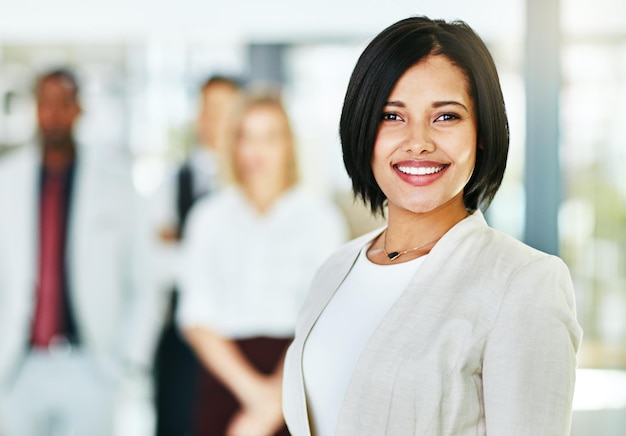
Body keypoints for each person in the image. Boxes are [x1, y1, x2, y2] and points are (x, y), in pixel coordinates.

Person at [282, 16, 583, 436]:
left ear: (481, 132)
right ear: (362, 129)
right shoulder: (334, 271)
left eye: (446, 117)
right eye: (391, 115)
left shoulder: (524, 283)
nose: (418, 141)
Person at [0, 68, 163, 436]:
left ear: (79, 110)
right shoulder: (5, 181)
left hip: (93, 364)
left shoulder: (117, 184)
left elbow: (145, 280)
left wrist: (130, 361)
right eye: (46, 103)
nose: (54, 114)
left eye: (64, 103)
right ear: (35, 109)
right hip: (16, 366)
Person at [177, 91, 347, 435]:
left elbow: (325, 318)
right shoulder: (207, 218)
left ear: (288, 145)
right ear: (232, 145)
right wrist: (254, 394)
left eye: (270, 137)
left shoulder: (320, 219)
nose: (257, 151)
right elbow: (196, 316)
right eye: (246, 137)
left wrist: (274, 405)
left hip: (299, 383)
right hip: (225, 381)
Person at [152, 75, 243, 436]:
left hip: (240, 332)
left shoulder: (255, 184)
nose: (212, 119)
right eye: (207, 109)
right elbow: (158, 261)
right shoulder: (173, 180)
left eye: (224, 109)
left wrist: (184, 243)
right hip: (183, 338)